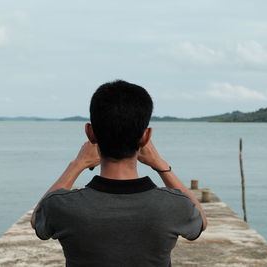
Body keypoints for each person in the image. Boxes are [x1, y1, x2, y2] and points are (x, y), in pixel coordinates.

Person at [31, 80, 207, 267]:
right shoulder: (173, 205)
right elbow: (201, 222)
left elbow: (37, 219)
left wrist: (77, 164)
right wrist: (161, 165)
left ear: (90, 133)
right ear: (146, 137)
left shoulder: (61, 205)